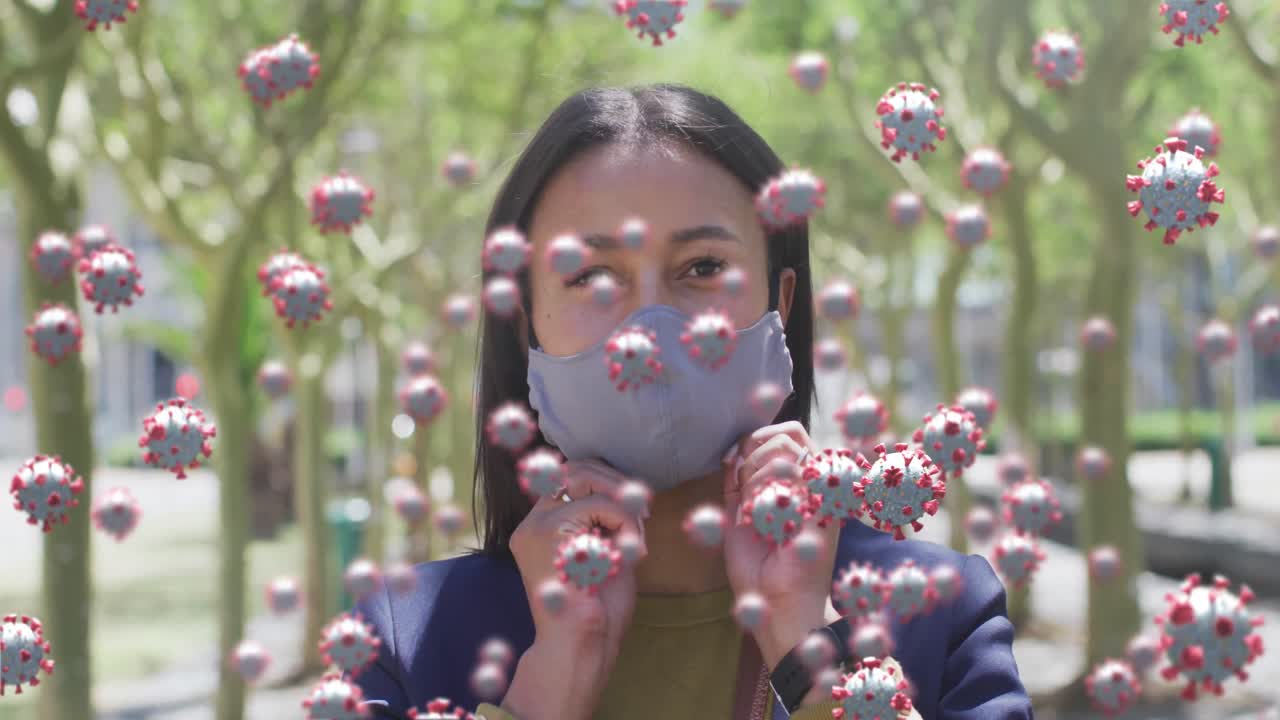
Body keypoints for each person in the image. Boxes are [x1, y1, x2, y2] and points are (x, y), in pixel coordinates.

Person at [352, 84, 1032, 720]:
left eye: (703, 268)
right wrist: (544, 693)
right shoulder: (404, 639)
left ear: (781, 304)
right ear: (528, 324)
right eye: (589, 276)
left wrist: (812, 654)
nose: (650, 331)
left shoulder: (941, 617)